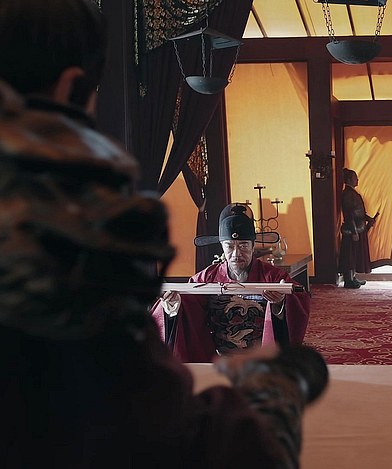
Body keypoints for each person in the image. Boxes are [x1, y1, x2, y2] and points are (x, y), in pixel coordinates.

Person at [0, 1, 327, 467]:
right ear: (71, 86)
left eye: (242, 241)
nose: (237, 249)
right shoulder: (89, 216)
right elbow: (145, 407)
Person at [152, 204, 311, 362]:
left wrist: (280, 304)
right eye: (229, 246)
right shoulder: (207, 277)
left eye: (243, 245)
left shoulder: (273, 277)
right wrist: (174, 305)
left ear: (253, 246)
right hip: (217, 357)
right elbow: (188, 308)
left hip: (262, 357)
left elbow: (298, 299)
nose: (236, 254)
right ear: (222, 246)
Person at [338, 168, 376, 289]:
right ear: (349, 180)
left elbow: (359, 212)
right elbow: (349, 214)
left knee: (355, 255)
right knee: (350, 255)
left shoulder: (352, 193)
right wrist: (354, 231)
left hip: (358, 227)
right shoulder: (348, 194)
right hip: (352, 230)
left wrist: (369, 219)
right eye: (355, 178)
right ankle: (348, 280)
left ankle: (353, 277)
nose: (357, 180)